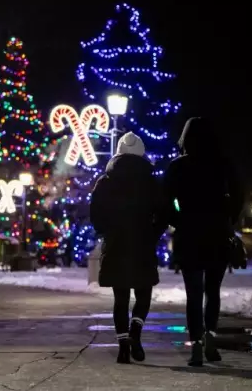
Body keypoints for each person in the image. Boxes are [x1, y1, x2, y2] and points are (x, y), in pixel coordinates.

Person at [164, 117, 243, 366]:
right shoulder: (223, 165)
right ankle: (210, 336)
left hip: (189, 234)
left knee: (194, 293)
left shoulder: (177, 167)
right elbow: (239, 194)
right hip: (217, 233)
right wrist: (228, 218)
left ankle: (196, 345)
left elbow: (165, 200)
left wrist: (178, 219)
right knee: (213, 290)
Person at [90, 132, 167, 364]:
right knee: (144, 293)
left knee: (120, 297)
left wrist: (107, 232)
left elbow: (95, 215)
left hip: (116, 245)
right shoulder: (151, 182)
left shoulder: (105, 181)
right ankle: (136, 333)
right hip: (142, 244)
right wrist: (152, 234)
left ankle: (123, 346)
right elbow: (163, 214)